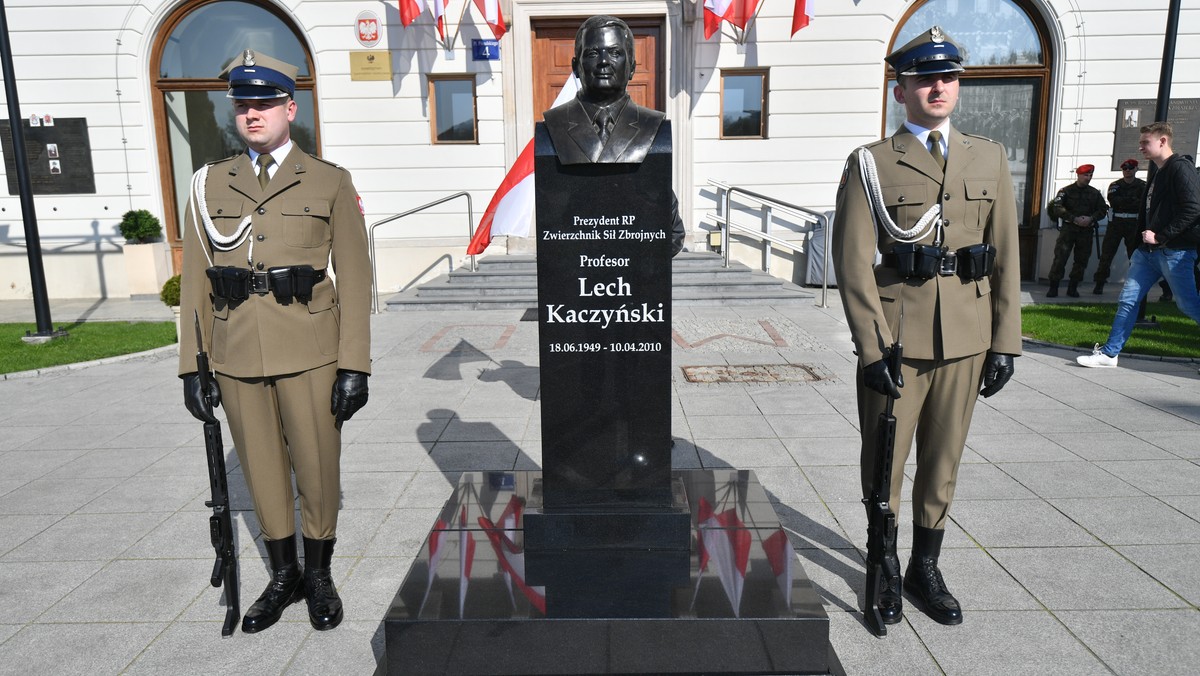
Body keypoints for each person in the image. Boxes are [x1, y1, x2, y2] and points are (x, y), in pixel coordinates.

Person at [832, 26, 1022, 628]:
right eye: (924, 79)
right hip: (897, 339)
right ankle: (884, 561)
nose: (938, 87)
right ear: (901, 89)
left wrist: (1005, 341)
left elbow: (1006, 252)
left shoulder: (987, 155)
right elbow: (852, 260)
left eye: (948, 77)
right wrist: (869, 347)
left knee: (943, 461)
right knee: (884, 460)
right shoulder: (872, 162)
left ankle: (925, 567)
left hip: (966, 339)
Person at [177, 50, 372, 633]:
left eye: (264, 104)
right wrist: (193, 365)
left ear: (291, 108)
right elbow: (195, 279)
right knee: (261, 471)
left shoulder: (329, 180)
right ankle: (283, 576)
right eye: (243, 105)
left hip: (312, 349)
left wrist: (354, 365)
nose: (252, 114)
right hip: (237, 351)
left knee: (317, 468)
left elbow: (356, 279)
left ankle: (319, 575)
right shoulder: (211, 181)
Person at [542, 14, 685, 255]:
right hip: (578, 274)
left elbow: (671, 234)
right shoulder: (552, 126)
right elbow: (554, 230)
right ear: (576, 67)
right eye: (593, 53)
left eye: (615, 52)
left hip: (632, 277)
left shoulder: (654, 126)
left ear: (631, 67)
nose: (604, 62)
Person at [1077, 121, 1200, 368]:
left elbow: (1193, 208)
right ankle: (1110, 354)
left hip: (1174, 252)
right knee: (1128, 300)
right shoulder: (1158, 171)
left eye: (1146, 142)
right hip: (1148, 253)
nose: (1141, 147)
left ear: (1163, 141)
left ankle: (1110, 353)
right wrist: (1141, 245)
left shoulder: (1180, 168)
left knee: (1189, 305)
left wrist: (1161, 236)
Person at [1046, 164, 1108, 297]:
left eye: (1090, 175)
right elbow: (1057, 208)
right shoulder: (1066, 191)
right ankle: (1053, 286)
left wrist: (1091, 218)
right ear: (1078, 175)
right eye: (1086, 175)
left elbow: (1103, 209)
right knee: (1060, 258)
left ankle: (1073, 287)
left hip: (1086, 231)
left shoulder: (1094, 193)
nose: (1088, 178)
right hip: (1069, 229)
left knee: (1081, 260)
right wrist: (1074, 219)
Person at [1093, 159, 1146, 294]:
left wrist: (1127, 202)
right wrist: (1133, 201)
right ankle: (1099, 283)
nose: (1127, 170)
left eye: (1130, 168)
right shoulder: (1115, 185)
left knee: (1134, 256)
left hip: (1133, 224)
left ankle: (1133, 284)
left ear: (1136, 169)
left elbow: (1142, 204)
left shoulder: (1142, 185)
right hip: (1116, 223)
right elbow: (1114, 201)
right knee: (1107, 255)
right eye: (1125, 168)